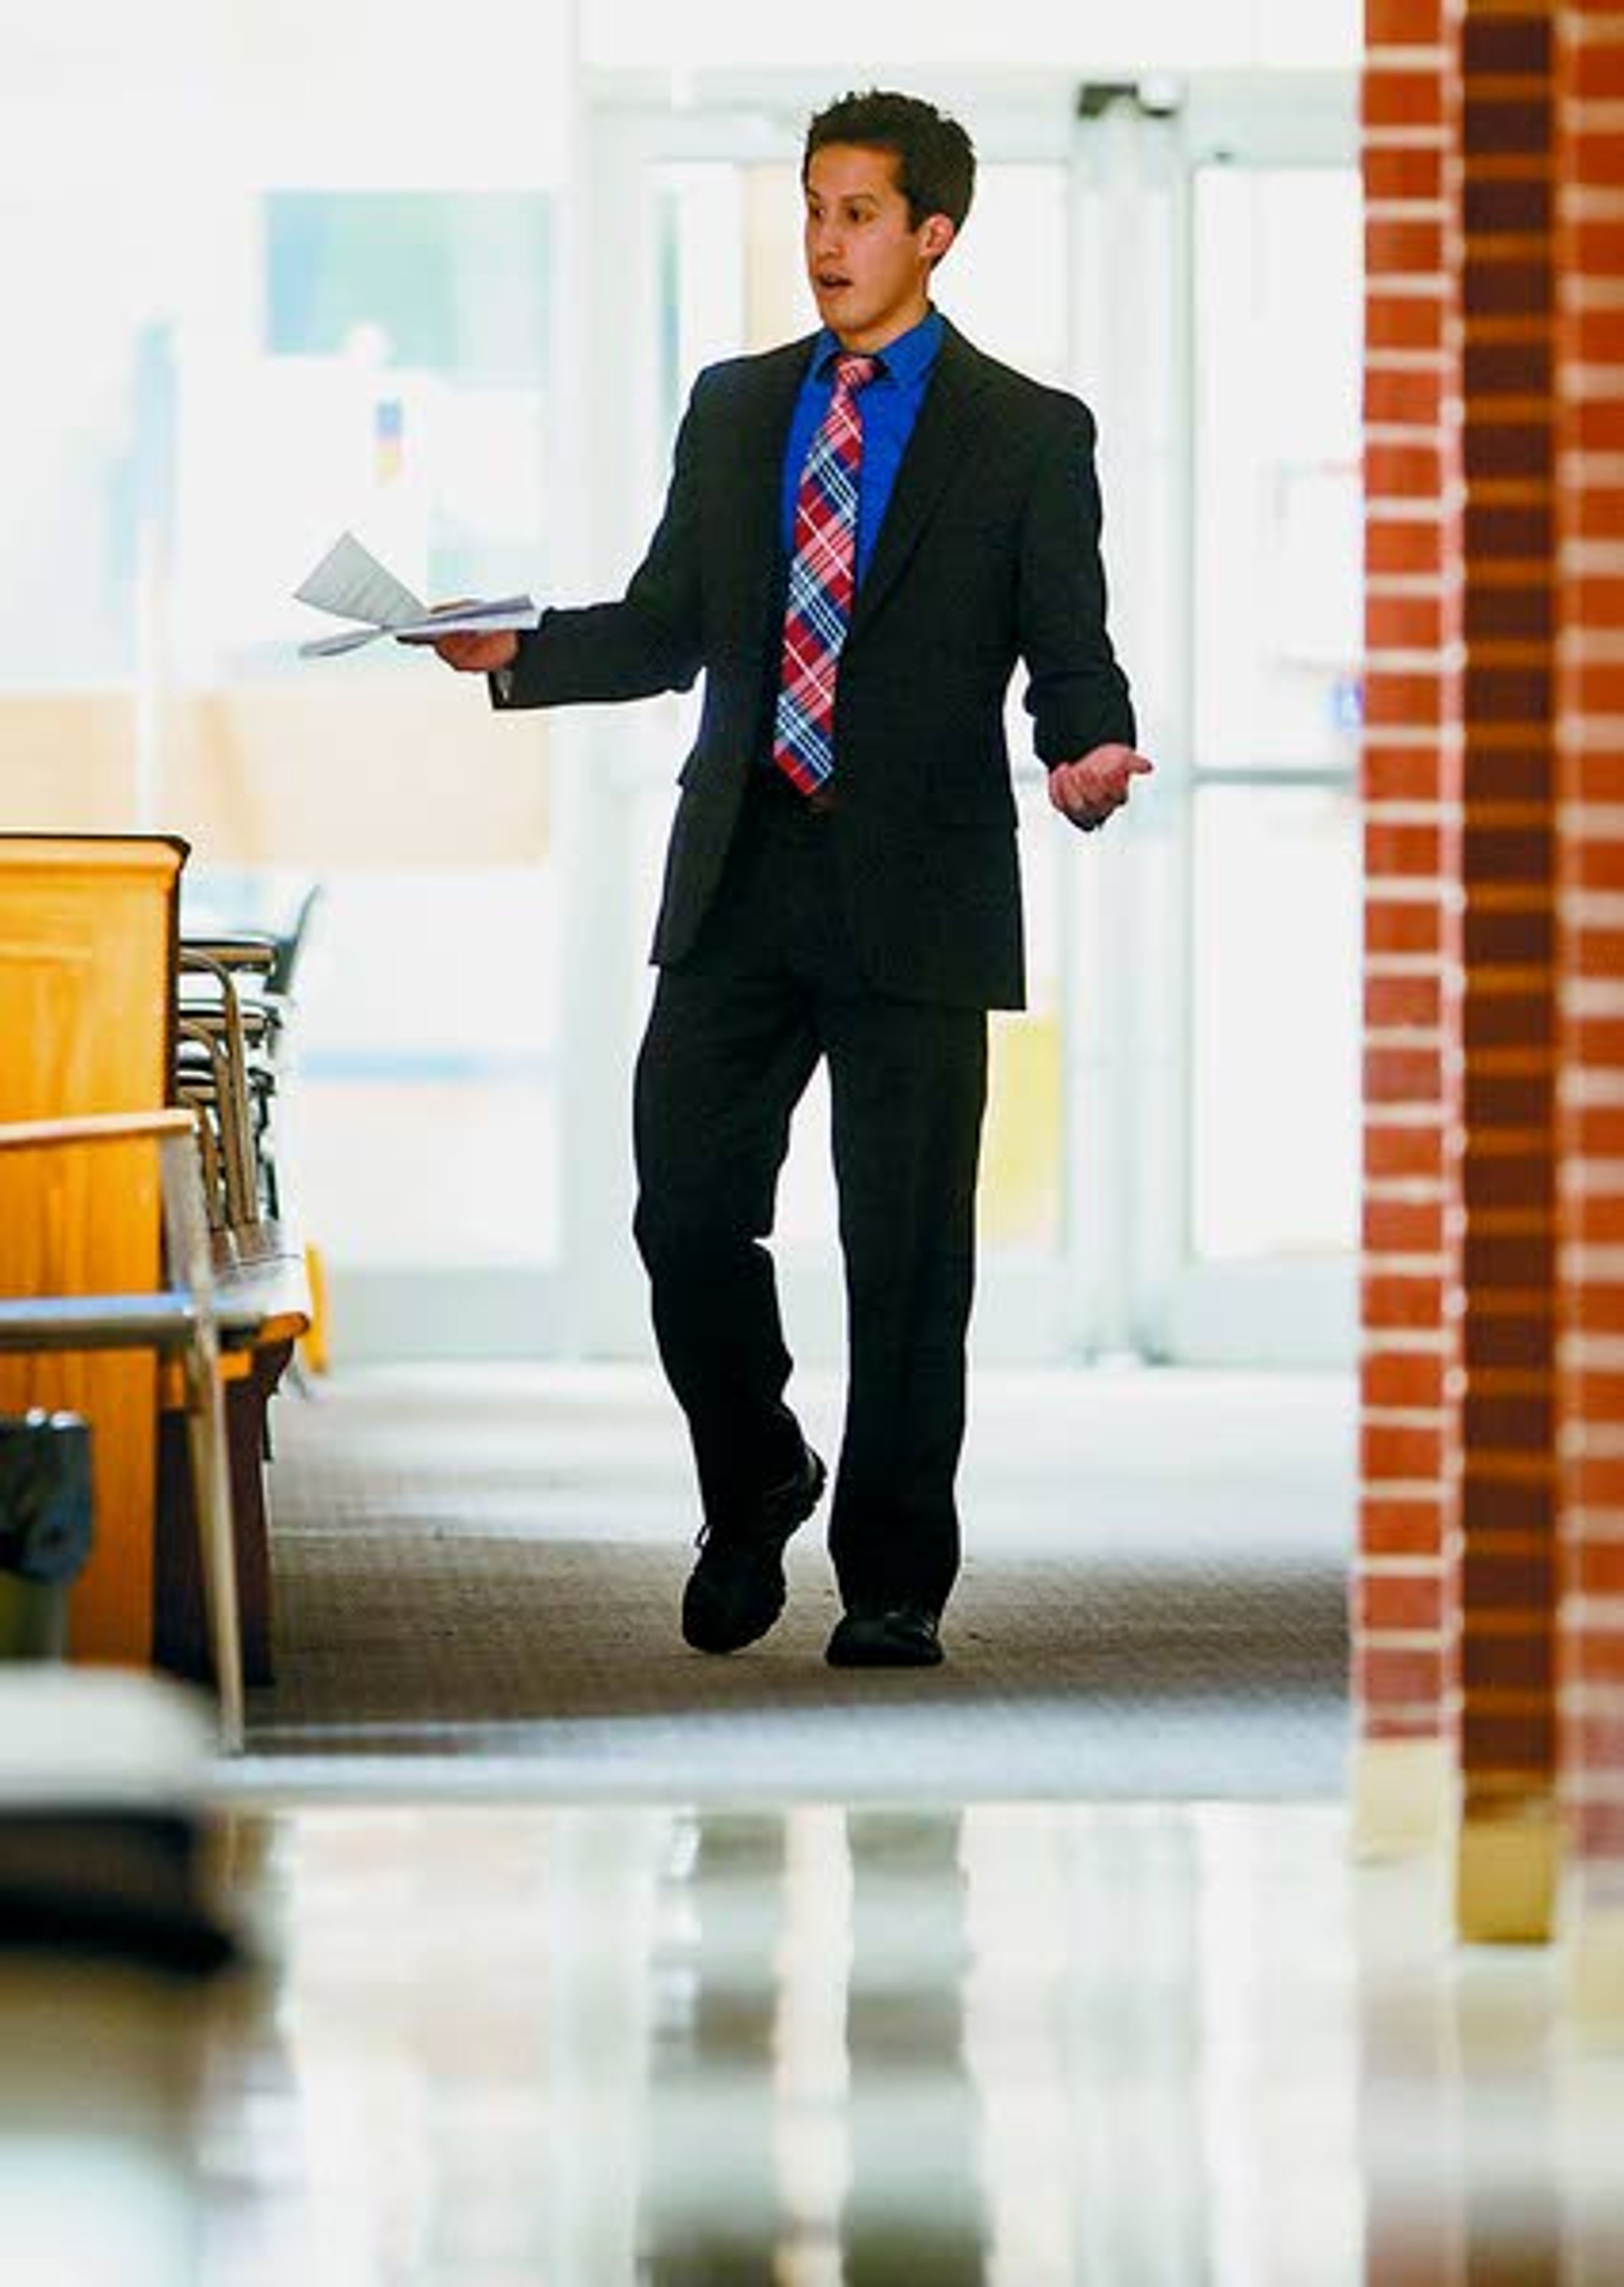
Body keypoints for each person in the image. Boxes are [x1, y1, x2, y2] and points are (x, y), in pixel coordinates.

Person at [428, 88, 1151, 1669]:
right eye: (812, 209)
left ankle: (894, 1579)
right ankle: (755, 1476)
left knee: (906, 1257)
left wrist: (1090, 750)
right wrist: (520, 653)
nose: (823, 241)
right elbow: (674, 619)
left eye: (857, 214)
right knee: (684, 1214)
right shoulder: (739, 405)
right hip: (745, 876)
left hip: (922, 892)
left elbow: (1069, 644)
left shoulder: (1028, 433)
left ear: (933, 233)